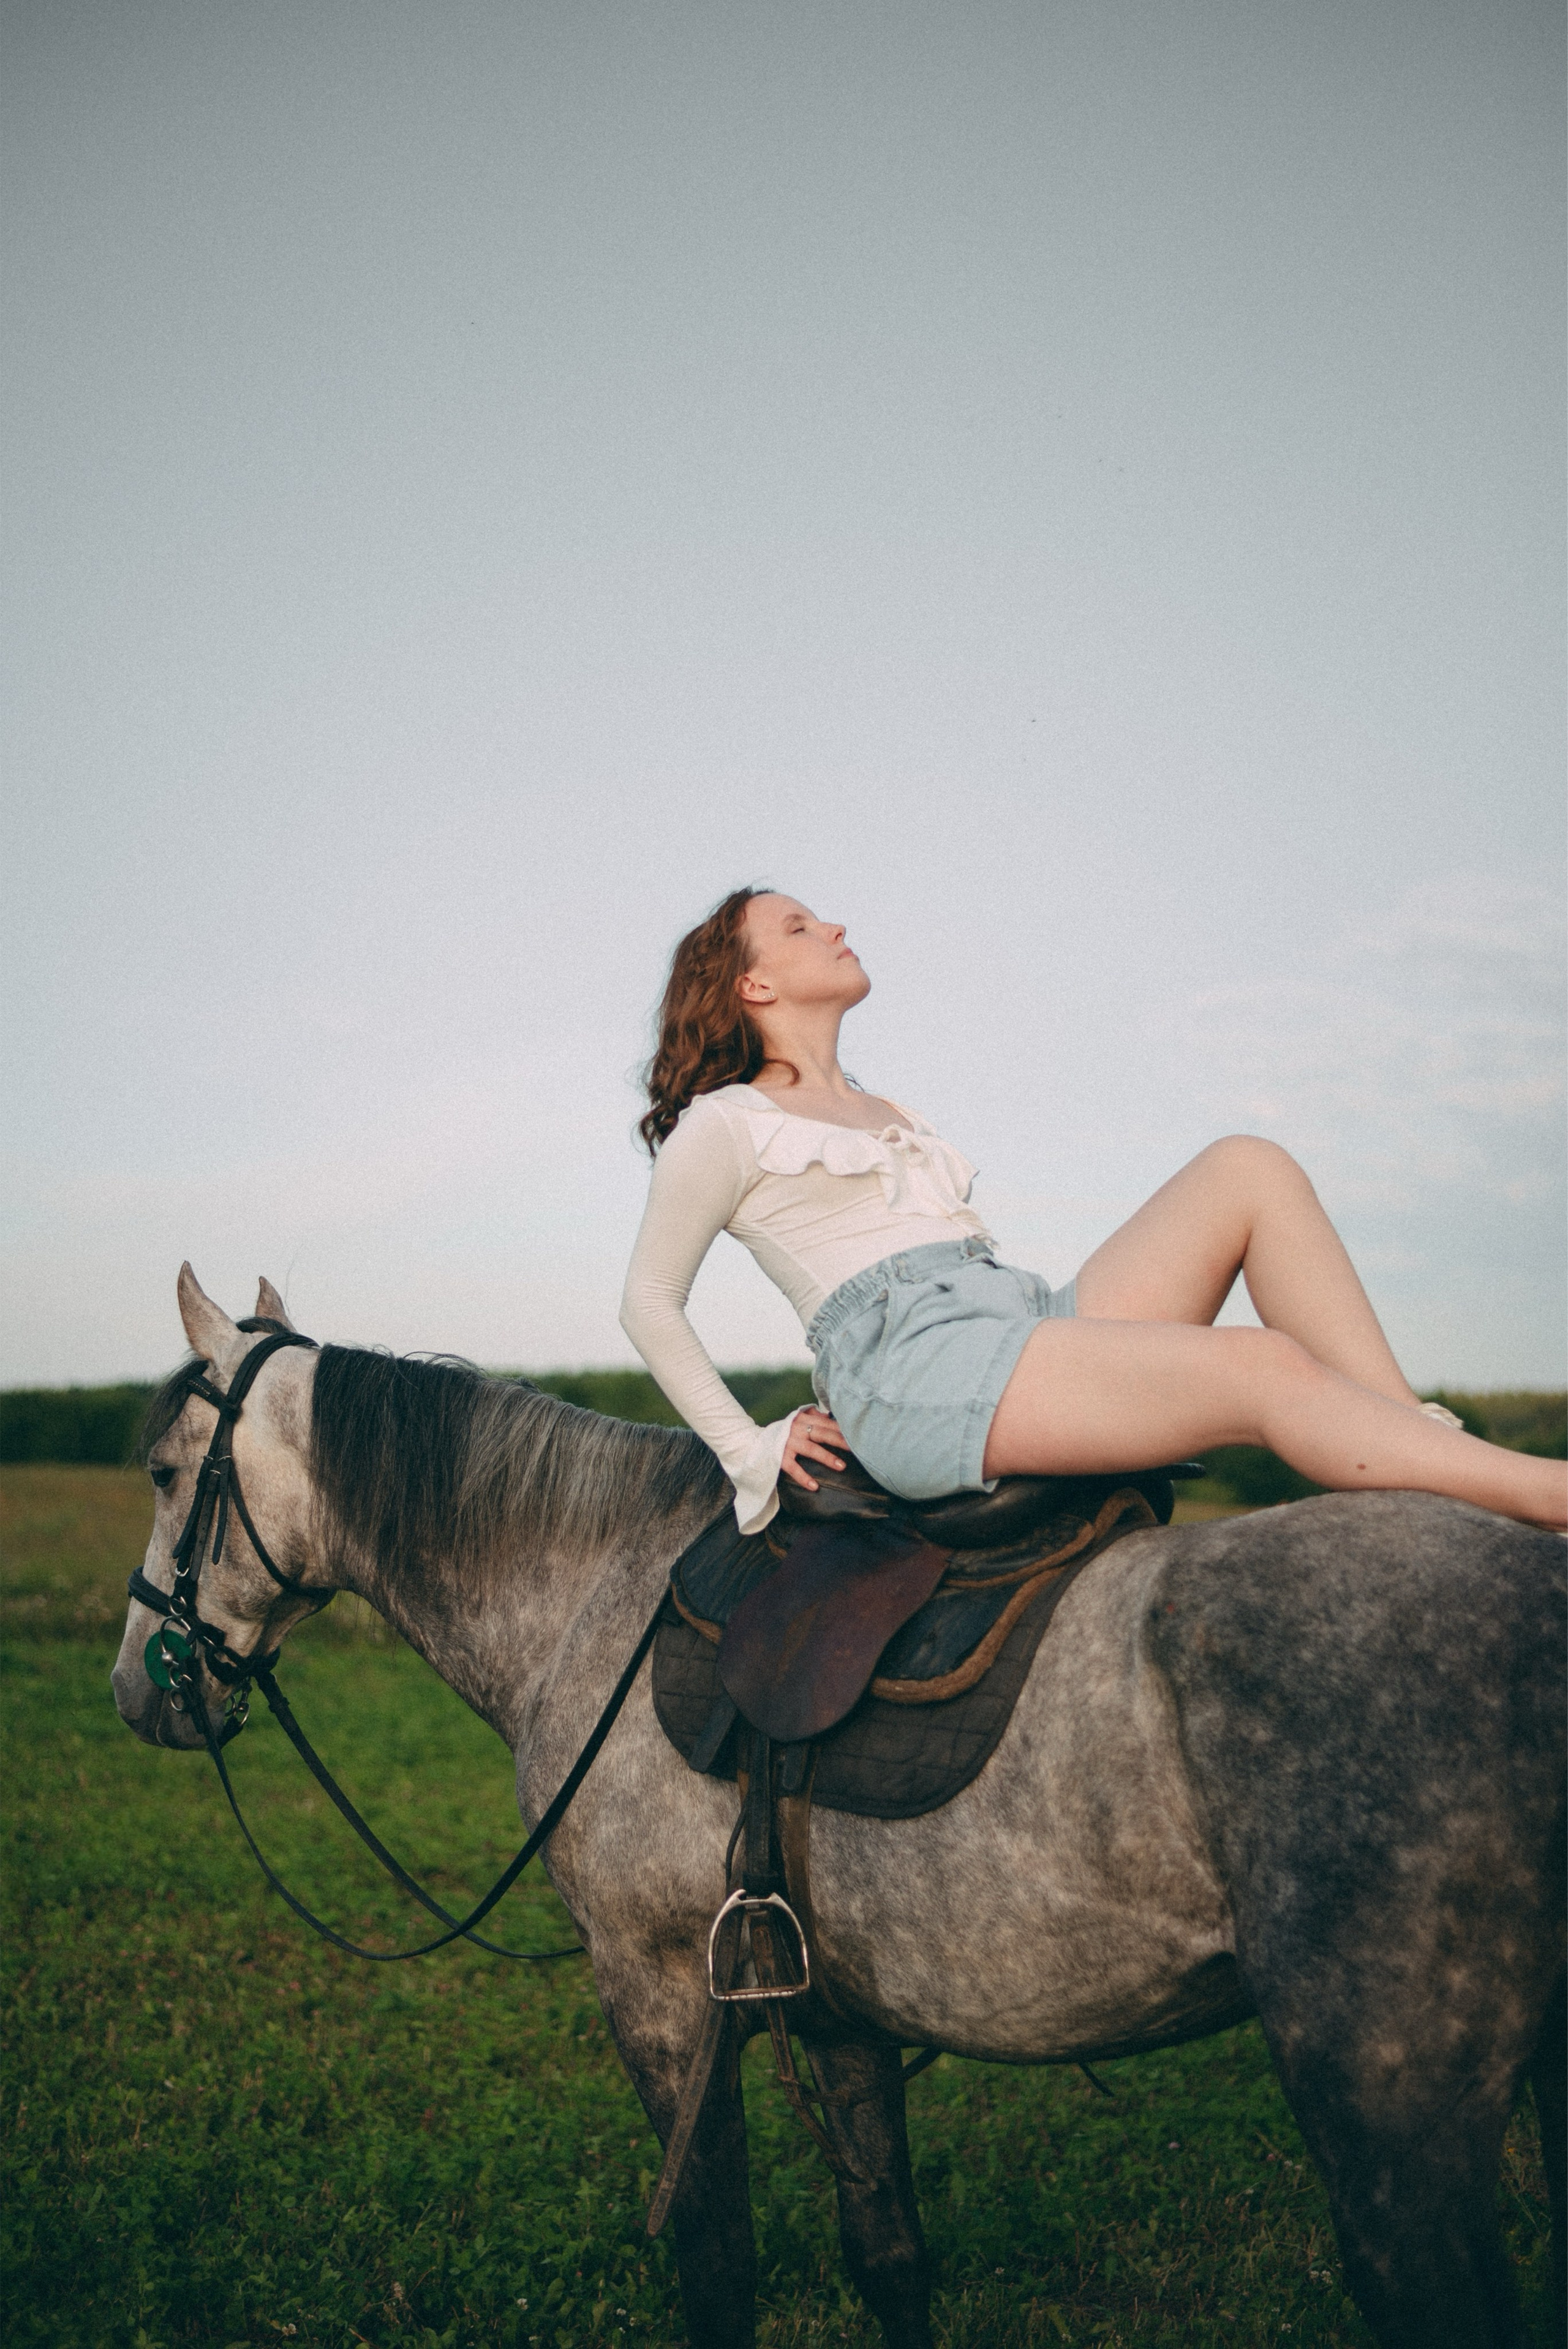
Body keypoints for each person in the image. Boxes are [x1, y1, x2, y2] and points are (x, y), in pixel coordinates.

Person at [620, 888, 1568, 1536]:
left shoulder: (885, 1110)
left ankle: (1420, 1446)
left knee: (1250, 1167)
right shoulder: (726, 1123)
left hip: (1016, 1323)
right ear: (753, 985)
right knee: (1261, 1365)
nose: (832, 926)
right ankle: (1548, 1496)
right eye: (797, 927)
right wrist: (749, 1447)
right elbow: (649, 1303)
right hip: (917, 1368)